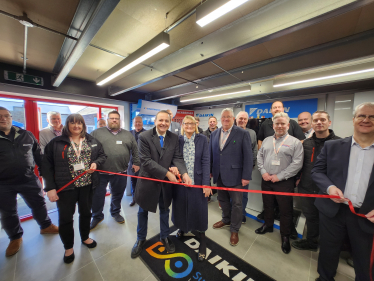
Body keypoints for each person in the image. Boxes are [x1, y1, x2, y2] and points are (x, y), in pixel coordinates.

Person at [312, 102, 374, 281]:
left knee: (364, 260)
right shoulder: (333, 146)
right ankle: (324, 278)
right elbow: (317, 171)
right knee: (328, 251)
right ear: (354, 120)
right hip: (333, 211)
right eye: (362, 116)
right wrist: (330, 188)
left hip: (366, 215)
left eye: (372, 117)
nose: (366, 120)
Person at [43, 114, 107, 263]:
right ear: (67, 125)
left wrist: (96, 163)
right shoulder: (56, 143)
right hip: (66, 187)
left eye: (79, 123)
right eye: (73, 123)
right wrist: (50, 188)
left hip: (87, 185)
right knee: (66, 218)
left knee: (85, 213)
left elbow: (103, 156)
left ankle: (85, 237)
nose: (76, 126)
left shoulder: (91, 140)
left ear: (83, 125)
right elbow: (46, 166)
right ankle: (68, 247)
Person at [131, 110, 192, 259]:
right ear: (155, 121)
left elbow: (177, 157)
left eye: (166, 121)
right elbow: (146, 161)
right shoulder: (143, 137)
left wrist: (184, 173)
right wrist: (167, 173)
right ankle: (140, 239)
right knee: (142, 212)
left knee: (165, 211)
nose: (163, 123)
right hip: (148, 182)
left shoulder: (174, 137)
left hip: (165, 186)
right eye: (161, 120)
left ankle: (164, 237)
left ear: (170, 122)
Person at [0, 106, 59, 257]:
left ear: (11, 117)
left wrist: (46, 175)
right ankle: (15, 237)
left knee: (39, 203)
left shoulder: (26, 135)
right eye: (0, 116)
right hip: (3, 183)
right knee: (8, 212)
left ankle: (45, 226)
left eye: (6, 115)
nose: (3, 118)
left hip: (28, 179)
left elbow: (39, 155)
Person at [292, 111, 340, 252]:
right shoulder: (306, 143)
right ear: (313, 124)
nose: (319, 122)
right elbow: (301, 164)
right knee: (311, 217)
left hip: (328, 190)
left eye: (322, 120)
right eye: (316, 120)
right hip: (307, 187)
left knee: (328, 220)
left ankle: (329, 247)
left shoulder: (339, 143)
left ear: (329, 122)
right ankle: (312, 242)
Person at [256, 112, 303, 254]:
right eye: (277, 123)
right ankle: (268, 225)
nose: (280, 126)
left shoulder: (295, 142)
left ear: (288, 125)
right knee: (268, 205)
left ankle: (285, 236)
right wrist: (263, 172)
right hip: (266, 180)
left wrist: (280, 176)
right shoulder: (266, 140)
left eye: (283, 123)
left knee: (285, 211)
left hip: (284, 182)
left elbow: (297, 164)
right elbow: (260, 157)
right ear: (273, 125)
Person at [90, 110, 140, 229]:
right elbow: (88, 149)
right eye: (111, 118)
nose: (114, 120)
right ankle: (97, 216)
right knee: (98, 195)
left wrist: (137, 162)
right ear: (107, 120)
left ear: (120, 121)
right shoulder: (96, 133)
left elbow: (135, 149)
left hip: (120, 171)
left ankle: (115, 212)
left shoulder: (128, 134)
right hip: (100, 172)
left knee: (117, 194)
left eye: (116, 118)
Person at [170, 115, 211, 261]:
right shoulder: (177, 139)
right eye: (186, 123)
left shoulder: (202, 139)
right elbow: (173, 158)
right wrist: (174, 168)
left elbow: (206, 161)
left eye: (191, 124)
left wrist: (206, 184)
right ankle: (182, 227)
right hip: (181, 181)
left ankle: (202, 239)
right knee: (181, 206)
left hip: (198, 181)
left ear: (195, 125)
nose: (189, 126)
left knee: (199, 209)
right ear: (182, 125)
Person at [210, 108, 253, 246]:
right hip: (219, 174)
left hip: (236, 176)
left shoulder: (242, 133)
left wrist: (246, 176)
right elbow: (212, 154)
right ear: (220, 119)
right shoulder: (214, 133)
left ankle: (235, 229)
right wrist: (211, 170)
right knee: (222, 200)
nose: (226, 119)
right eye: (223, 117)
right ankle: (226, 219)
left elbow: (248, 156)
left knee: (237, 204)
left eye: (229, 117)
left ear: (233, 119)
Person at [235, 111, 258, 224]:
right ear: (236, 119)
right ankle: (231, 215)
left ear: (247, 121)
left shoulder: (252, 133)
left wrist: (252, 164)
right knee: (232, 194)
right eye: (240, 118)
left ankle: (242, 214)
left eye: (244, 119)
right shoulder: (231, 131)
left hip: (245, 170)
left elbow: (254, 149)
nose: (242, 121)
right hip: (232, 170)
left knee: (243, 195)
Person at [128, 116, 146, 206]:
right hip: (133, 163)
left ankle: (143, 199)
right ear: (133, 123)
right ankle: (134, 199)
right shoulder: (129, 133)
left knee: (143, 182)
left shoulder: (147, 133)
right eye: (136, 122)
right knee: (133, 182)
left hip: (144, 164)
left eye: (139, 122)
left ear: (142, 123)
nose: (138, 124)